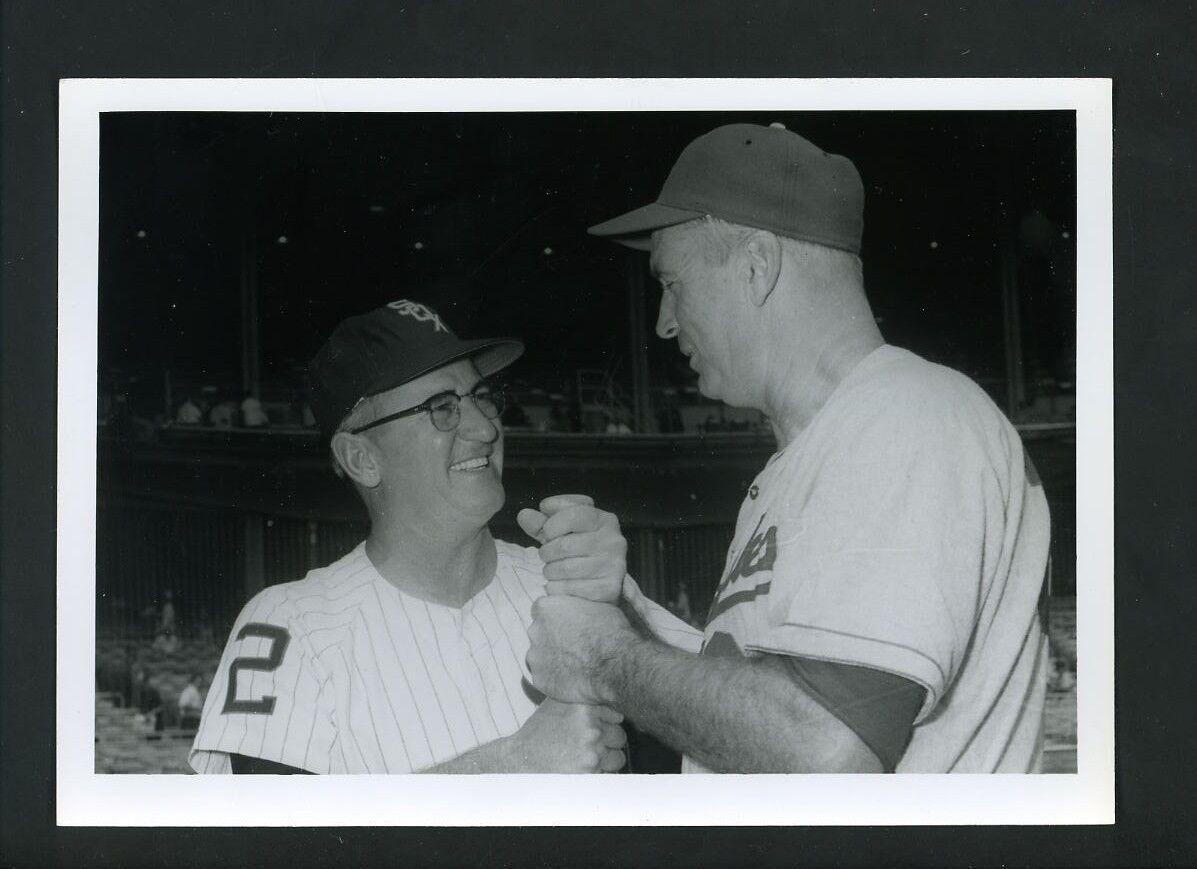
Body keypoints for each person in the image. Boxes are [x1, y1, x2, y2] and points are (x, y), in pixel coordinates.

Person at [524, 122, 1052, 773]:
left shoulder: (906, 418)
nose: (663, 320)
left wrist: (604, 659)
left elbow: (825, 747)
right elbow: (767, 699)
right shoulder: (829, 446)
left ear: (757, 265)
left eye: (672, 282)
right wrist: (626, 612)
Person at [190, 299, 690, 774]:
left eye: (481, 398)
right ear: (361, 458)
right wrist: (507, 768)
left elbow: (729, 748)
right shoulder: (292, 623)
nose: (485, 428)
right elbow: (262, 843)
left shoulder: (573, 580)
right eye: (441, 406)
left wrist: (615, 615)